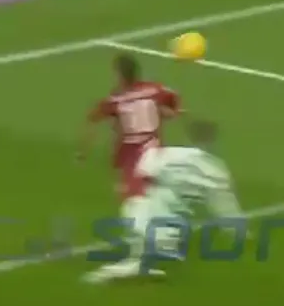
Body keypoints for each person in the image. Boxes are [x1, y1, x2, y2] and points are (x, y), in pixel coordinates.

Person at [83, 119, 240, 283]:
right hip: (166, 224)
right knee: (155, 235)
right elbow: (225, 206)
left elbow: (138, 175)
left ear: (188, 138)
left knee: (145, 217)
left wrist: (126, 190)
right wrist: (236, 231)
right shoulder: (217, 169)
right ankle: (121, 268)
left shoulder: (164, 154)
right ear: (212, 140)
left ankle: (138, 261)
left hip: (142, 215)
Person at [78, 53, 180, 220]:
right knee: (153, 192)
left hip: (133, 154)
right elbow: (173, 100)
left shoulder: (116, 99)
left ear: (119, 75)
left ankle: (154, 229)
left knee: (134, 201)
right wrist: (170, 112)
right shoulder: (155, 89)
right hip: (155, 148)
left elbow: (92, 120)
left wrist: (82, 152)